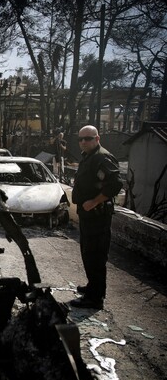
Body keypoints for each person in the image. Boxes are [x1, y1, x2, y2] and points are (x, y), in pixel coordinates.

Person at [70, 125, 123, 310]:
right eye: (81, 139)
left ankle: (95, 298)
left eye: (88, 138)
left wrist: (94, 201)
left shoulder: (102, 157)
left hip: (97, 216)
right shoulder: (89, 156)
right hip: (87, 216)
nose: (84, 142)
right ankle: (93, 287)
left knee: (96, 256)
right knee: (88, 253)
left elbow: (116, 184)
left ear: (97, 138)